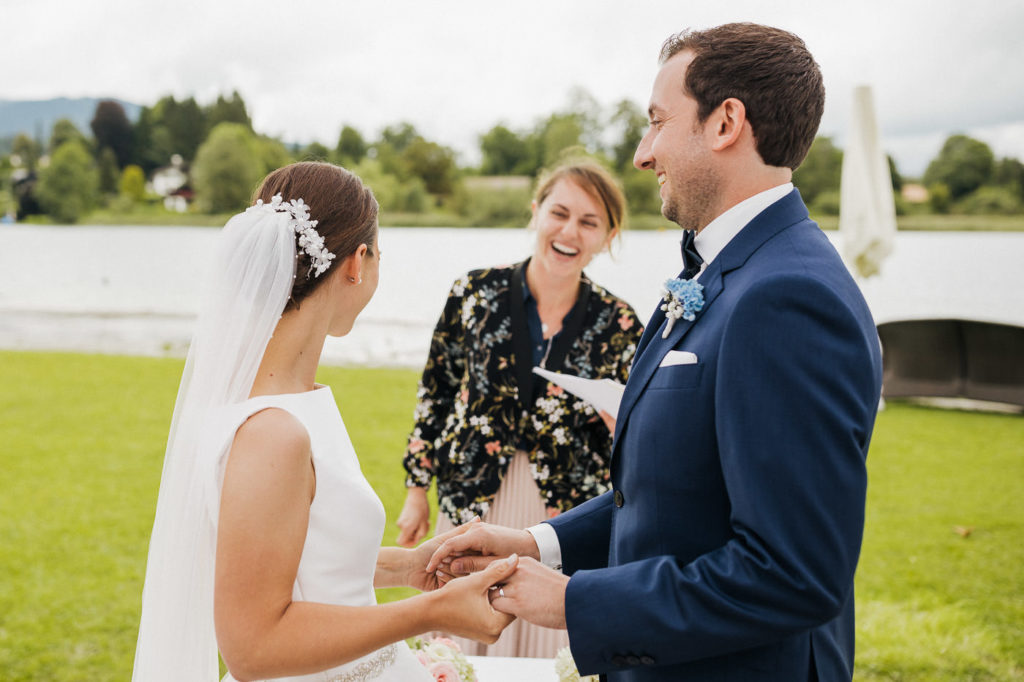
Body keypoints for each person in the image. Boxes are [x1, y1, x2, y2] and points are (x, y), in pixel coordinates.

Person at [427, 23, 884, 681]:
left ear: (726, 122)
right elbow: (674, 499)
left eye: (657, 122)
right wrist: (538, 543)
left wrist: (575, 601)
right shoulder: (723, 272)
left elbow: (792, 574)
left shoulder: (787, 295)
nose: (643, 154)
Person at [131, 161, 517, 682]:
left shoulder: (296, 401)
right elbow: (252, 647)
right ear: (357, 262)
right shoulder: (271, 432)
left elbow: (296, 560)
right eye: (379, 255)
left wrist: (406, 567)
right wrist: (431, 613)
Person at [397, 159, 643, 657]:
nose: (570, 231)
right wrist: (416, 489)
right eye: (560, 212)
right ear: (535, 212)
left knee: (540, 652)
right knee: (454, 646)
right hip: (471, 501)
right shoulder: (473, 293)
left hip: (560, 519)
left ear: (608, 235)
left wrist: (624, 430)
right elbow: (436, 392)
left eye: (589, 222)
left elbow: (635, 436)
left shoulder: (622, 324)